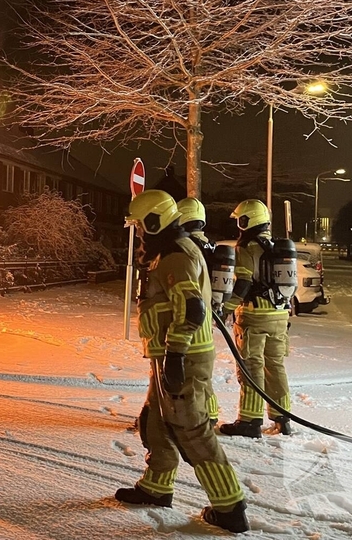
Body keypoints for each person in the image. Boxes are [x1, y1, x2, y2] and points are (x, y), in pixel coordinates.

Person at [116, 190, 249, 533]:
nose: (140, 233)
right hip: (170, 355)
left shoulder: (176, 255)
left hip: (183, 357)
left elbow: (190, 309)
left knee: (192, 430)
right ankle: (157, 488)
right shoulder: (173, 249)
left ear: (155, 221)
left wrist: (175, 354)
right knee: (157, 423)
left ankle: (230, 507)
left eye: (141, 226)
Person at [218, 199, 293, 438]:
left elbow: (244, 282)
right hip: (280, 316)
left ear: (246, 221)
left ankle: (249, 422)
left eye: (240, 221)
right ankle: (283, 418)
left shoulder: (248, 247)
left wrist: (226, 308)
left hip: (254, 316)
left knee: (251, 368)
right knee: (276, 366)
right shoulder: (274, 247)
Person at [177, 197, 222, 427]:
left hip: (191, 318)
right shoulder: (212, 247)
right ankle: (211, 415)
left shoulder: (185, 249)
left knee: (191, 373)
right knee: (204, 373)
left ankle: (198, 420)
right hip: (209, 320)